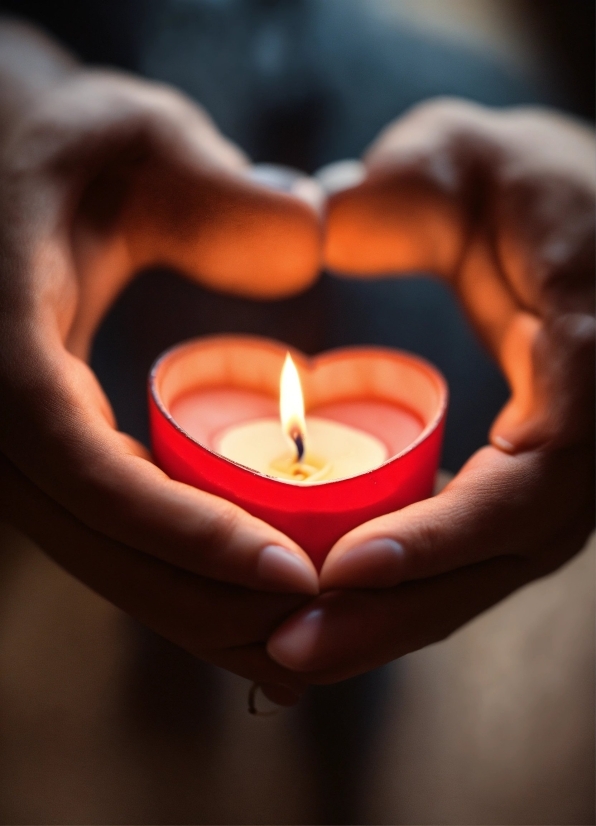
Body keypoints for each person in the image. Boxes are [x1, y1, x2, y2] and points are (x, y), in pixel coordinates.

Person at [0, 5, 593, 821]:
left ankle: (343, 727)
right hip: (108, 133)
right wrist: (15, 88)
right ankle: (179, 676)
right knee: (137, 499)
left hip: (346, 116)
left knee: (383, 576)